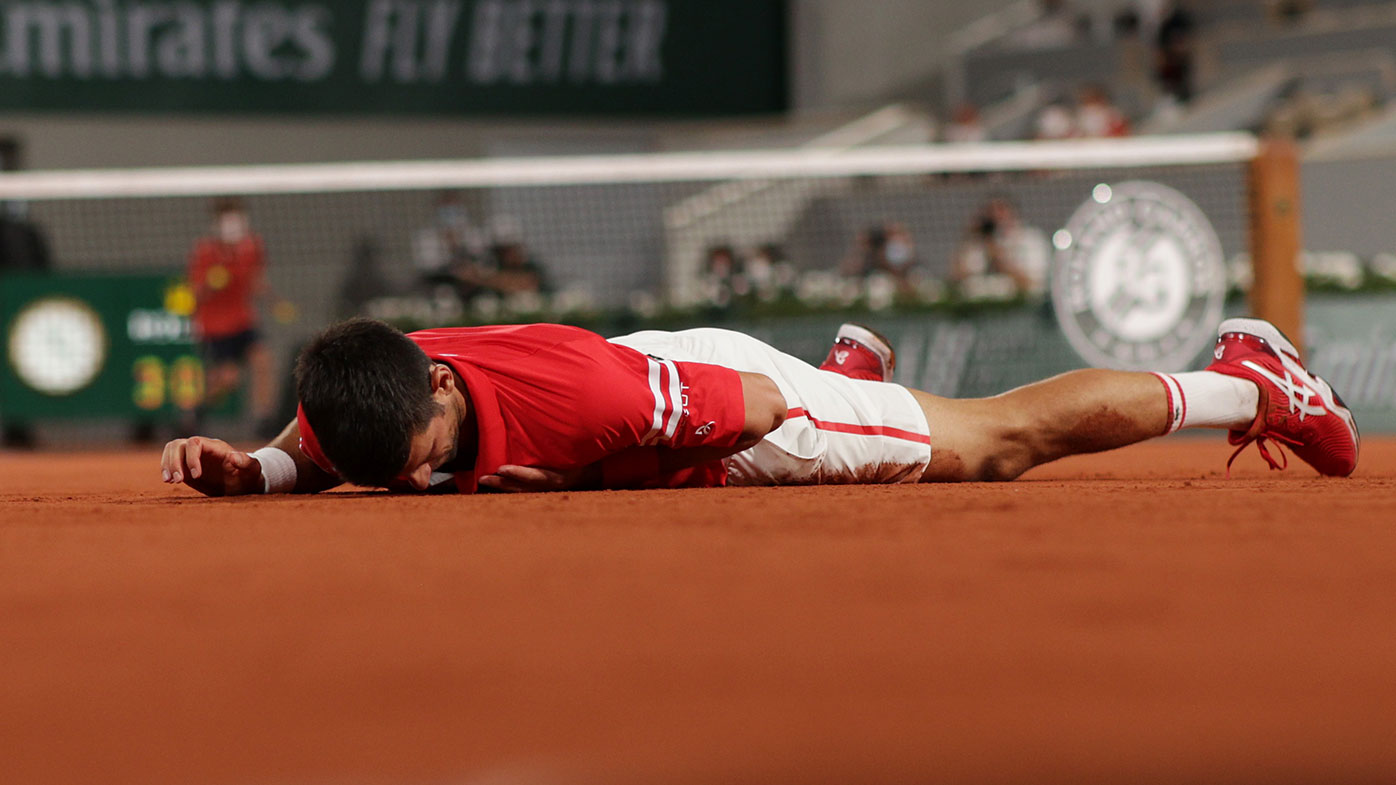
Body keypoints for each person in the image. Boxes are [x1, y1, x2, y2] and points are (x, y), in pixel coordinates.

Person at [158, 315, 1359, 498]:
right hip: (654, 384)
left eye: (424, 452)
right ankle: (862, 373)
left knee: (993, 441)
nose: (418, 480)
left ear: (436, 380)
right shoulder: (364, 393)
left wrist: (594, 477)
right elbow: (324, 445)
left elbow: (750, 404)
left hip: (732, 408)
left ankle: (1246, 377)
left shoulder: (592, 401)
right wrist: (259, 471)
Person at [186, 197, 280, 439]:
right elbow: (195, 293)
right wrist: (211, 282)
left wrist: (275, 302)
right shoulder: (205, 251)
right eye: (228, 221)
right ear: (217, 224)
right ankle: (195, 412)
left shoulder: (252, 246)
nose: (234, 226)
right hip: (215, 326)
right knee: (228, 379)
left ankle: (264, 421)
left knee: (263, 361)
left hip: (243, 321)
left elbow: (256, 280)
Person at [951, 197, 1051, 297]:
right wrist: (970, 237)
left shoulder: (1032, 240)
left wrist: (998, 257)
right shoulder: (979, 243)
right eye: (990, 213)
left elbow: (1034, 284)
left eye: (1001, 212)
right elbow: (957, 278)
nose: (996, 217)